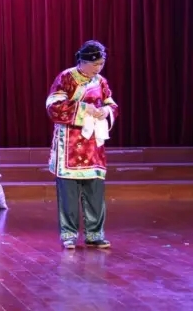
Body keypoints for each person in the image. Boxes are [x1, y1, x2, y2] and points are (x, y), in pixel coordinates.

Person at [45, 40, 119, 249]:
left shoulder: (101, 81)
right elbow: (54, 107)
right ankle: (69, 234)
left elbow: (111, 104)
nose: (99, 68)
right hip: (69, 144)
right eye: (95, 64)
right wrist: (85, 109)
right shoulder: (67, 78)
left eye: (101, 64)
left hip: (93, 145)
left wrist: (105, 111)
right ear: (83, 62)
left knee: (95, 190)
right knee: (68, 192)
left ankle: (95, 234)